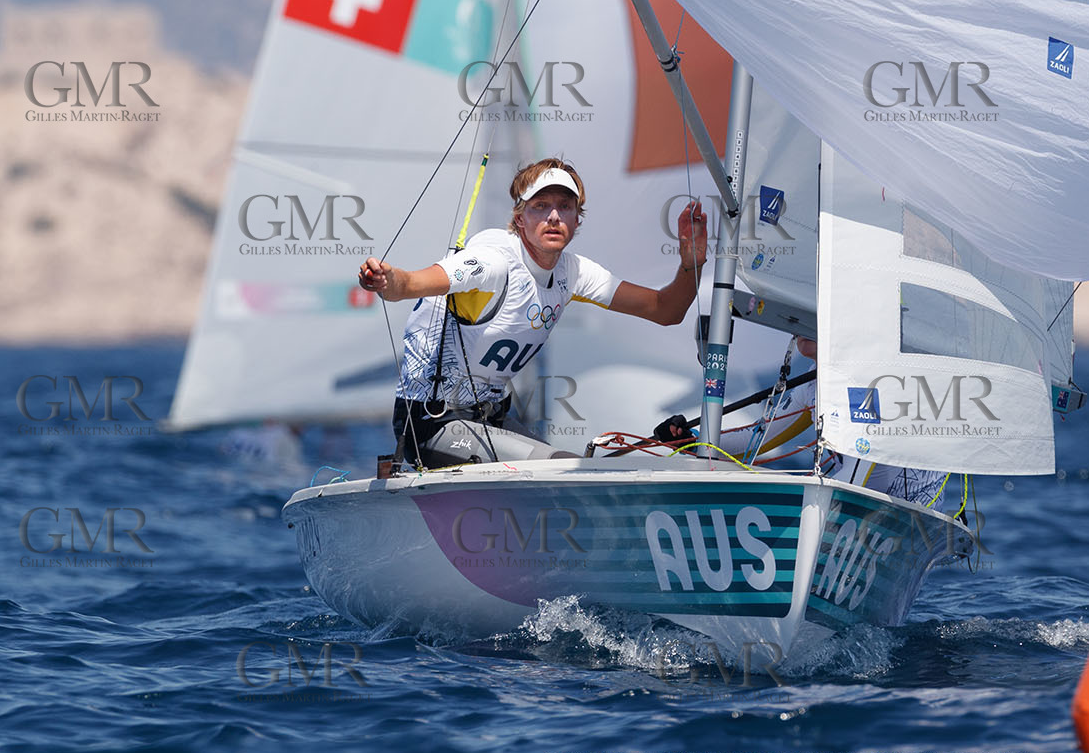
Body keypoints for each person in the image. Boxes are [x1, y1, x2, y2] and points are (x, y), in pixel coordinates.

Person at [358, 157, 707, 468]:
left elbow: (667, 310)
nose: (554, 216)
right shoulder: (493, 262)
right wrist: (388, 278)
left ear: (576, 218)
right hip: (431, 425)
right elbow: (413, 284)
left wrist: (693, 262)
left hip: (493, 419)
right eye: (541, 206)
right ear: (520, 218)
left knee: (583, 465)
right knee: (566, 469)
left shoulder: (573, 272)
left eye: (564, 206)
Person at [653, 337, 950, 506]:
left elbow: (868, 461)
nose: (802, 323)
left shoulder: (874, 379)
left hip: (908, 505)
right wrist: (693, 442)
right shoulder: (812, 386)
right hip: (850, 497)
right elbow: (758, 440)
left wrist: (805, 505)